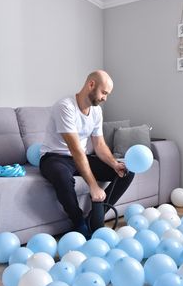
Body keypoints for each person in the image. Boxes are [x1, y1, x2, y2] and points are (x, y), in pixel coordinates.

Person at [40, 70, 134, 239]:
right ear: (91, 84)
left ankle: (93, 218)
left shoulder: (96, 112)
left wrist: (114, 164)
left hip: (79, 157)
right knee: (62, 176)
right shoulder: (65, 106)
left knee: (127, 172)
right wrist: (93, 186)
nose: (105, 98)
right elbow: (75, 149)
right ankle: (78, 223)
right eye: (104, 92)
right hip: (54, 157)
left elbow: (99, 145)